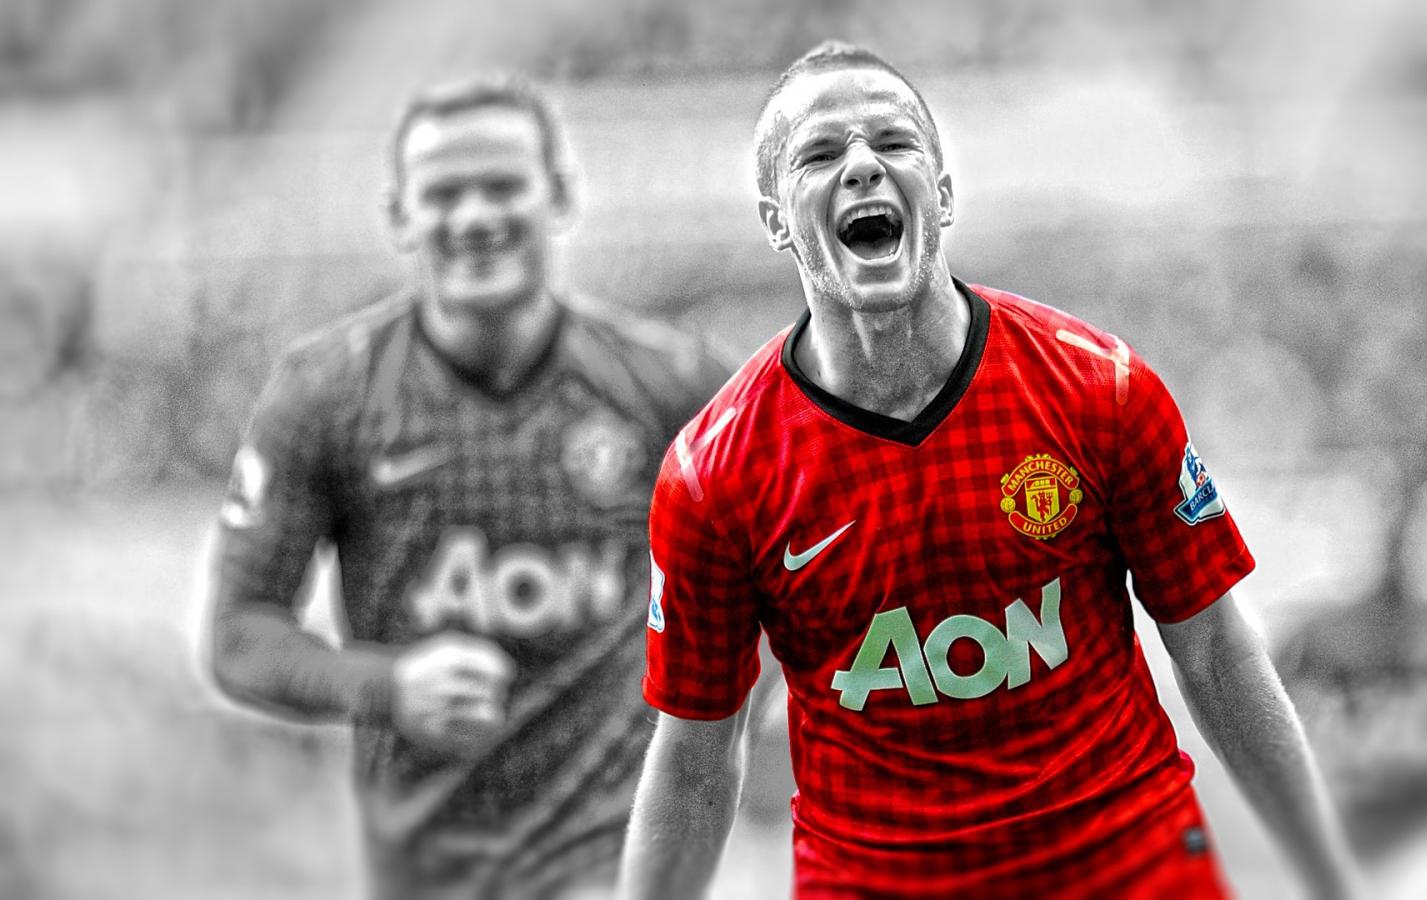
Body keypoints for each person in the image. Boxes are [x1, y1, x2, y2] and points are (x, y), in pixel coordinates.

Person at [620, 42, 1361, 899]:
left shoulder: (1098, 389)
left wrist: (1329, 879)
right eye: (819, 154)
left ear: (941, 192)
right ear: (776, 219)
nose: (861, 165)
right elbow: (695, 760)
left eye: (893, 142)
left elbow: (1218, 658)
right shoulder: (716, 474)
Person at [205, 72, 731, 899]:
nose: (476, 216)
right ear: (398, 216)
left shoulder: (673, 387)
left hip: (617, 871)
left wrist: (712, 733)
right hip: (429, 874)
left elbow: (792, 585)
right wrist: (388, 688)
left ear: (561, 195)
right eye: (444, 193)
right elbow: (238, 637)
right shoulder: (327, 394)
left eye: (503, 186)